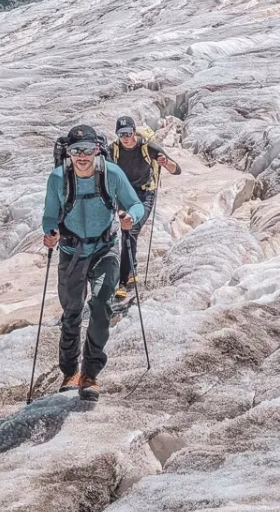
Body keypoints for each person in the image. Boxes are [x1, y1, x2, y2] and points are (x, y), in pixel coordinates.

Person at [42, 124, 146, 401]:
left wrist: (130, 218)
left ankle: (90, 373)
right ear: (69, 153)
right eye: (76, 150)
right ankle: (69, 371)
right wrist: (50, 232)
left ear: (97, 149)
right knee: (71, 312)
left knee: (101, 305)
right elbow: (49, 216)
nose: (82, 155)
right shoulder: (58, 179)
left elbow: (136, 204)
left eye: (87, 149)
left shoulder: (111, 175)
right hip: (71, 251)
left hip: (105, 248)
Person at [109, 114, 180, 302]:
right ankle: (130, 271)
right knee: (127, 232)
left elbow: (176, 169)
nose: (125, 137)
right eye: (121, 134)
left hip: (145, 194)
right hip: (124, 194)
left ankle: (123, 282)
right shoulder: (113, 150)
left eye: (128, 133)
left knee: (130, 229)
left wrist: (166, 163)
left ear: (134, 132)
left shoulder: (148, 148)